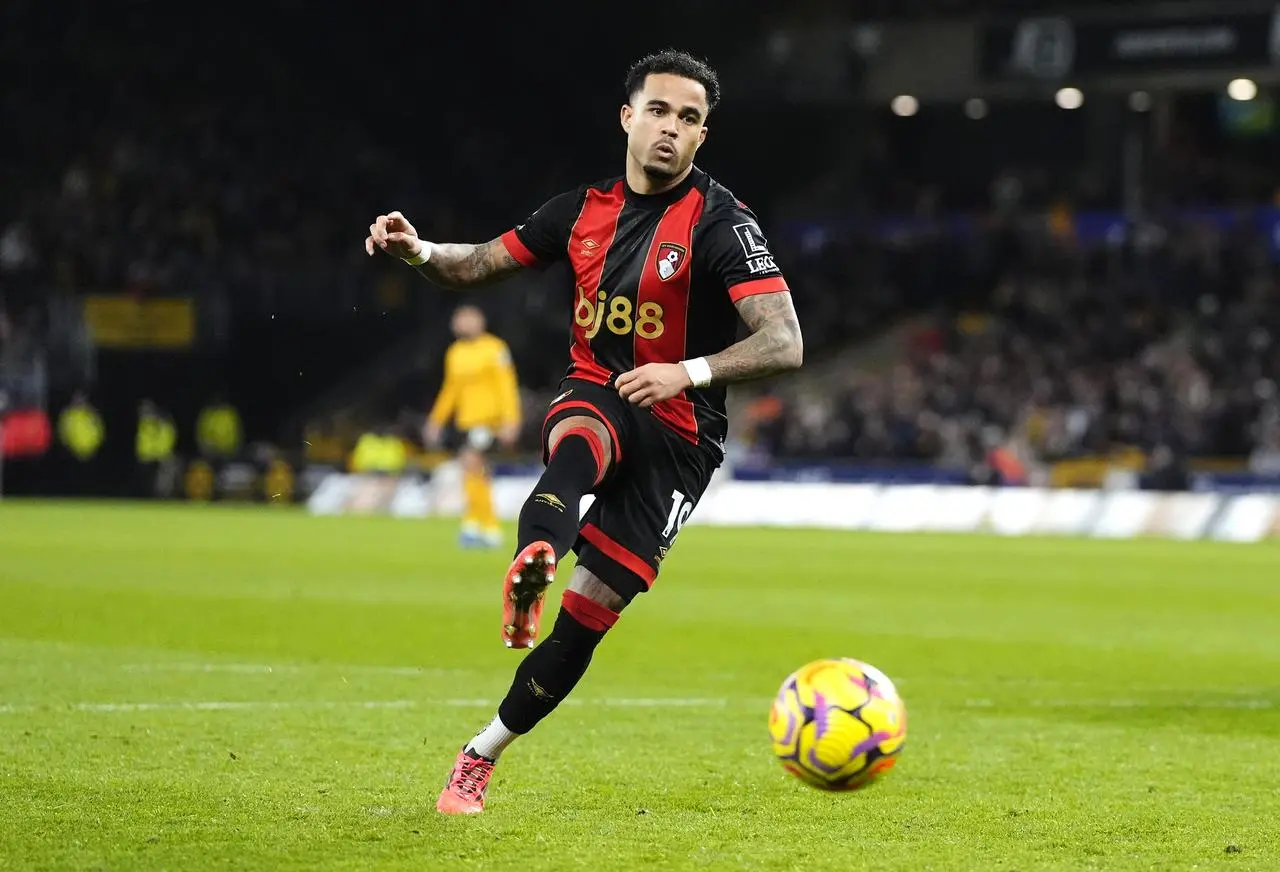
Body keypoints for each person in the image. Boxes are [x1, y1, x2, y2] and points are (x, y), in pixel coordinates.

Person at [364, 49, 803, 815]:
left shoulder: (724, 223)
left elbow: (784, 341)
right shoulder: (577, 211)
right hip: (598, 392)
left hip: (682, 440)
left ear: (703, 138)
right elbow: (475, 266)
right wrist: (420, 251)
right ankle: (536, 554)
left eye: (690, 119)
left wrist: (688, 371)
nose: (672, 128)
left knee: (586, 623)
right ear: (628, 117)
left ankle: (479, 754)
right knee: (580, 438)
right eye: (660, 110)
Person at [423, 304, 522, 548]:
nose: (462, 323)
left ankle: (486, 526)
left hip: (488, 421)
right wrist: (436, 420)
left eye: (468, 319)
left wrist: (512, 420)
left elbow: (506, 386)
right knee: (474, 470)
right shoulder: (455, 353)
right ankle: (477, 522)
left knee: (472, 462)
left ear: (480, 322)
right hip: (466, 421)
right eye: (459, 319)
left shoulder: (495, 348)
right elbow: (451, 390)